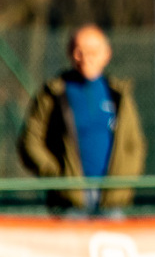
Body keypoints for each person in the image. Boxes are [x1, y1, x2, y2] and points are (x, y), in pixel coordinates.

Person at [18, 24, 145, 215]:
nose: (85, 58)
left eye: (92, 52)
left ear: (106, 54)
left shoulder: (119, 95)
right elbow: (31, 140)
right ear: (70, 52)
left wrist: (125, 179)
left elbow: (134, 144)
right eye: (79, 51)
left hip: (111, 201)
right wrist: (56, 174)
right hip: (69, 203)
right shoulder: (54, 93)